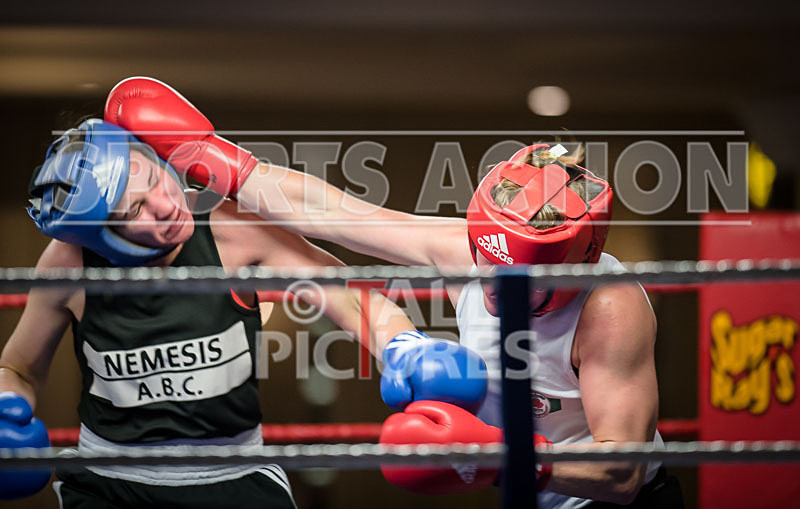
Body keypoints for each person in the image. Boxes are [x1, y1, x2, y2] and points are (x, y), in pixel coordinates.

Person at [91, 76, 682, 506]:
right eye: (485, 262)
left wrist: (496, 454)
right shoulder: (462, 250)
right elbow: (333, 214)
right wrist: (211, 157)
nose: (493, 292)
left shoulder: (610, 306)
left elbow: (621, 475)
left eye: (519, 285)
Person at [0, 117, 486, 507]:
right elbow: (18, 366)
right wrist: (5, 405)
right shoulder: (69, 265)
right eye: (134, 212)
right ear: (100, 238)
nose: (165, 204)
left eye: (152, 179)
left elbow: (348, 296)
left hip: (233, 473)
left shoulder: (232, 231)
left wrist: (404, 346)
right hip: (110, 480)